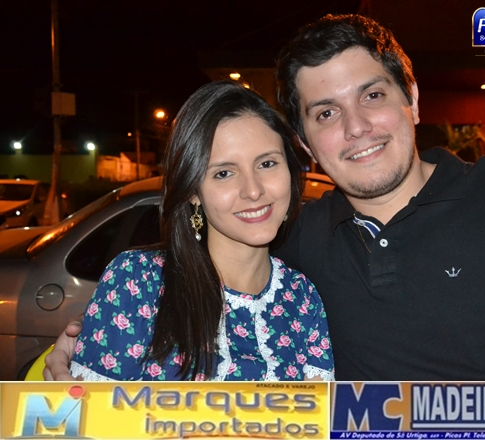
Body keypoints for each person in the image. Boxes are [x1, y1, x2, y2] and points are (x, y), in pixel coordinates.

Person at [46, 14, 485, 381]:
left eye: (372, 95)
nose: (356, 127)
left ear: (412, 100)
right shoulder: (298, 240)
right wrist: (65, 373)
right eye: (326, 112)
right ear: (305, 142)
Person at [65, 81, 334, 381]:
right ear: (193, 191)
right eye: (224, 173)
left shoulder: (302, 298)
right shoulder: (139, 281)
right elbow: (87, 409)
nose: (253, 190)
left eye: (267, 163)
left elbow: (319, 410)